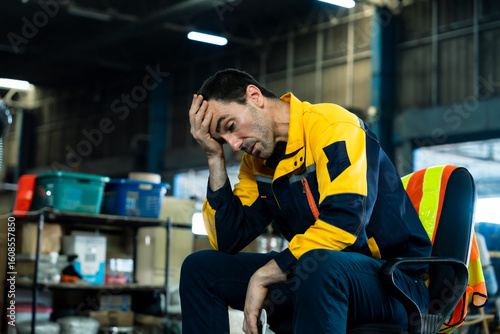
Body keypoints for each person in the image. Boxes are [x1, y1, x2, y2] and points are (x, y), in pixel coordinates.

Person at [180, 68, 432, 334]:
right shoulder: (257, 164)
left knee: (320, 265)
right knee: (201, 269)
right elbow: (226, 238)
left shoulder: (333, 128)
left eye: (230, 127)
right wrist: (213, 158)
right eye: (222, 140)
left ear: (254, 96)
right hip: (317, 273)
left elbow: (347, 223)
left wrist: (265, 274)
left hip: (394, 283)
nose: (233, 144)